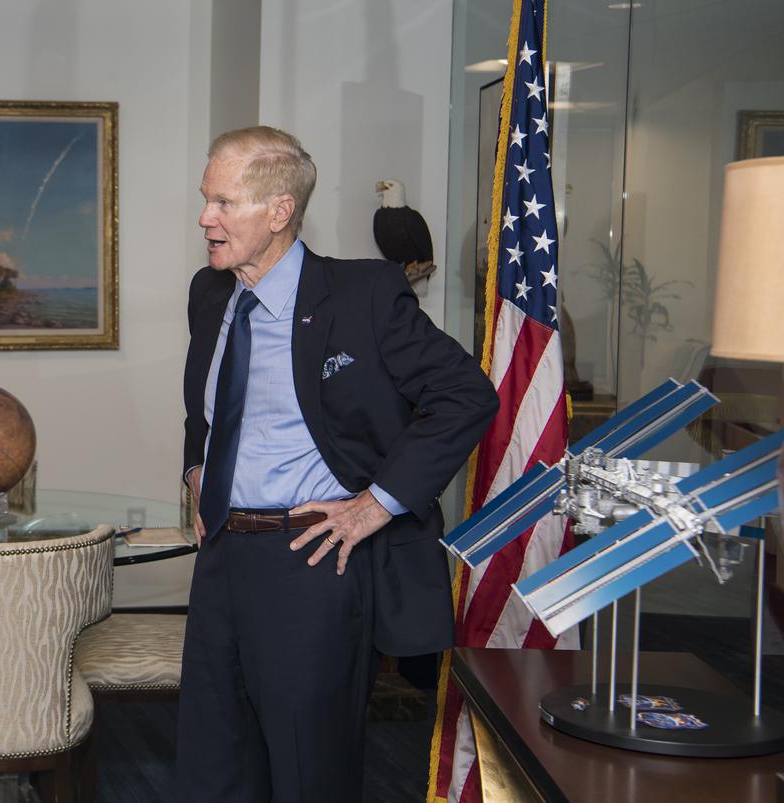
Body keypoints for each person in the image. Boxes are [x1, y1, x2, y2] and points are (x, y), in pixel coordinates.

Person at [177, 126, 498, 802]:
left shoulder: (364, 295)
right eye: (207, 200)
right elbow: (203, 409)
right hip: (219, 563)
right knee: (215, 766)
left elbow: (466, 396)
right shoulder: (211, 296)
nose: (206, 217)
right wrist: (195, 468)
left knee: (307, 771)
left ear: (279, 210)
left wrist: (377, 501)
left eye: (223, 203)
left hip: (312, 564)